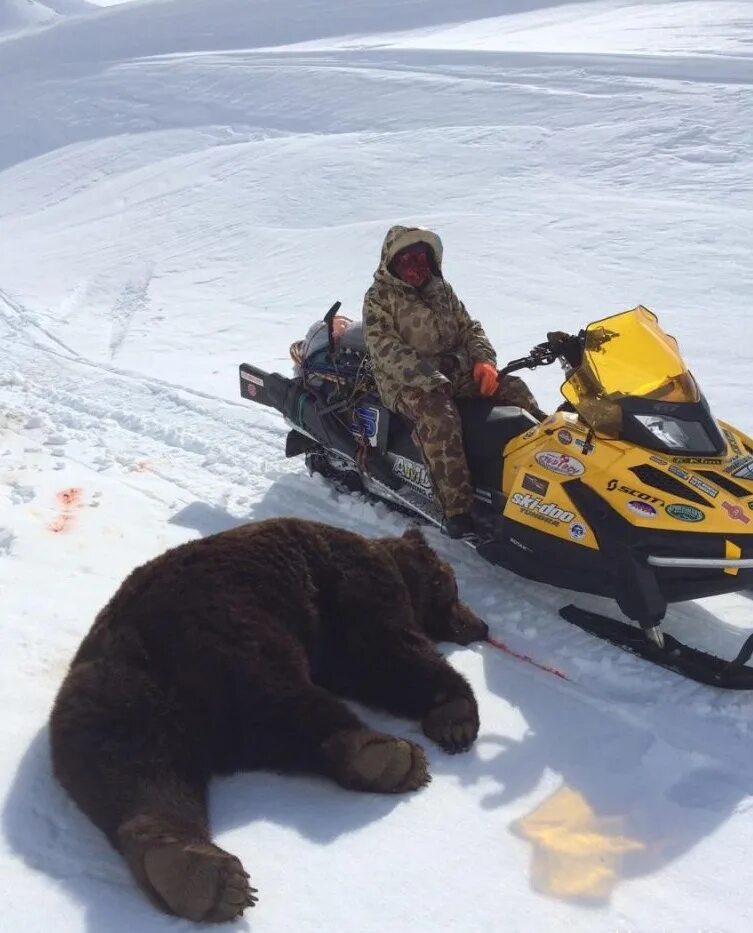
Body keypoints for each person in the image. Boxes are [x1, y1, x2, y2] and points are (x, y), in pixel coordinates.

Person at [363, 224, 543, 539]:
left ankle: (546, 467)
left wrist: (484, 361)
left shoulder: (441, 290)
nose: (415, 267)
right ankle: (457, 508)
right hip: (405, 381)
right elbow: (384, 349)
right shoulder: (380, 297)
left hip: (455, 370)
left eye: (420, 259)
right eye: (407, 260)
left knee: (513, 387)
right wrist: (428, 377)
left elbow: (470, 327)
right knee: (439, 419)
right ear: (392, 262)